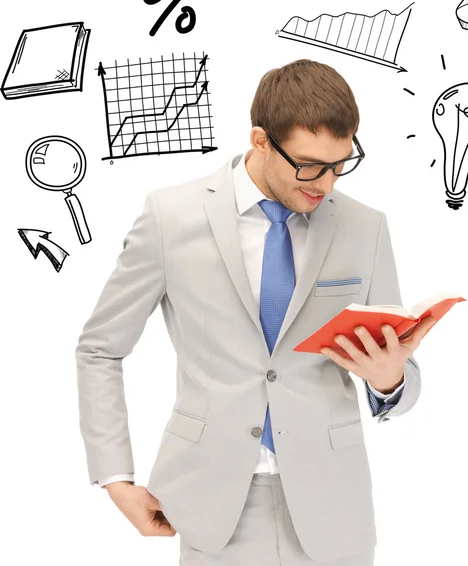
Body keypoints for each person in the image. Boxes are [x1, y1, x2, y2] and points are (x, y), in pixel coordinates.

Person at [76, 58, 437, 566]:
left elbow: (399, 382)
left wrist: (389, 381)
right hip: (208, 502)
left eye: (340, 165)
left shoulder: (365, 227)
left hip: (334, 509)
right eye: (310, 165)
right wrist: (114, 477)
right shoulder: (171, 216)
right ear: (261, 140)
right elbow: (99, 349)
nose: (326, 184)